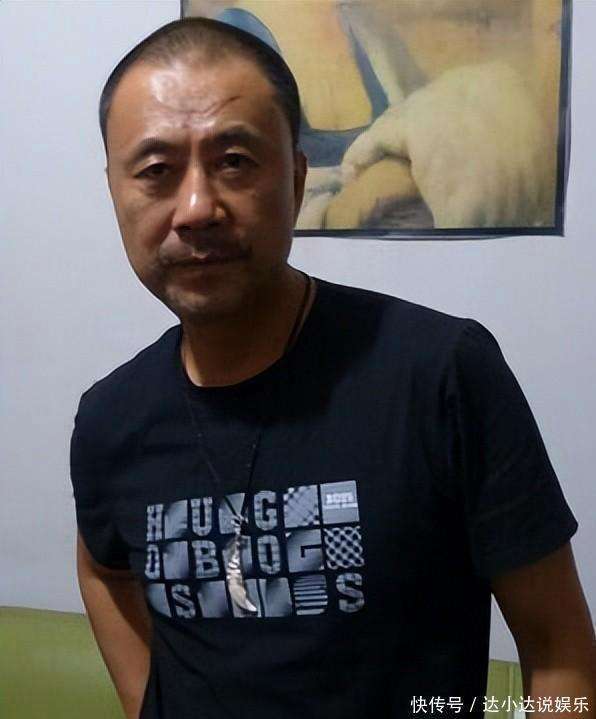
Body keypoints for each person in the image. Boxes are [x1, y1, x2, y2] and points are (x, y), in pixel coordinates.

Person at [71, 17, 594, 719]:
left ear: (295, 177)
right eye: (156, 171)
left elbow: (560, 653)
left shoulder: (439, 374)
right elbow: (102, 567)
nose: (195, 208)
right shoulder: (111, 417)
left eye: (234, 161)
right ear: (115, 190)